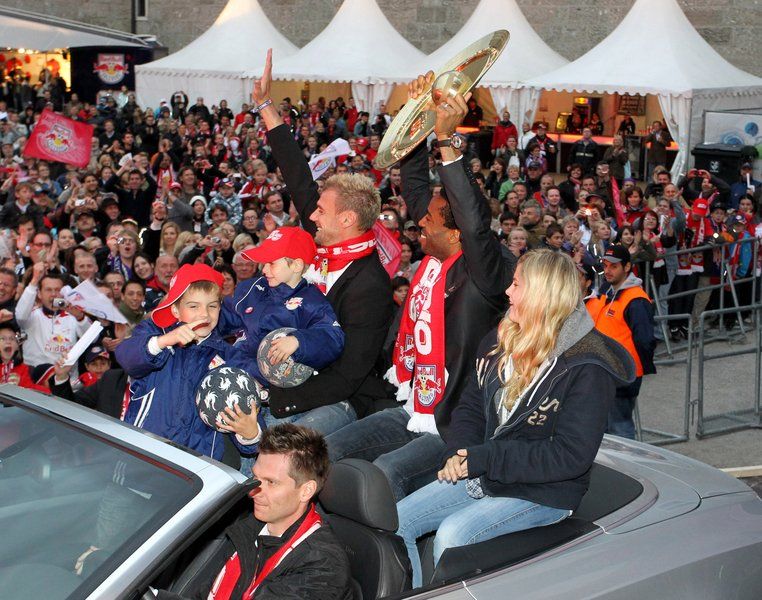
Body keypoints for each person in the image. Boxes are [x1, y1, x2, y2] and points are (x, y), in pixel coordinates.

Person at [325, 74, 515, 502]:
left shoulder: (485, 270)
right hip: (416, 405)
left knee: (387, 474)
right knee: (330, 449)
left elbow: (473, 220)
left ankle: (393, 542)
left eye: (429, 219)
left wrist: (446, 140)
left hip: (456, 420)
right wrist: (416, 118)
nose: (419, 221)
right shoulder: (434, 258)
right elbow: (414, 189)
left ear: (457, 232)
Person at [396, 250, 635, 588]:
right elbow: (470, 406)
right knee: (398, 521)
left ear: (542, 294)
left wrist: (483, 458)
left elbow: (570, 456)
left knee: (453, 536)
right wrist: (460, 451)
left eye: (517, 284)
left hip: (545, 491)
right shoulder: (501, 337)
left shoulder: (587, 366)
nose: (507, 291)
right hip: (489, 471)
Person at [250, 49, 393, 431]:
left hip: (338, 397)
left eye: (321, 212)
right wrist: (265, 106)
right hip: (286, 370)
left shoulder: (371, 285)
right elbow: (297, 173)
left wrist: (274, 401)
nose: (311, 216)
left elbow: (348, 375)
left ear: (346, 220)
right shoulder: (323, 239)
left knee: (274, 435)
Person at [156, 424, 354, 600]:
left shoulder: (322, 567)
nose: (253, 491)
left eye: (271, 482)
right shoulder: (247, 528)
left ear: (306, 491)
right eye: (256, 478)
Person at [114, 263, 263, 461]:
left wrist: (251, 434)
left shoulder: (230, 359)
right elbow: (126, 356)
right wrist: (164, 341)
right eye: (193, 306)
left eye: (212, 306)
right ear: (175, 310)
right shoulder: (155, 336)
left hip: (197, 468)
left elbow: (252, 438)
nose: (204, 314)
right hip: (141, 457)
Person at [219, 226, 344, 394]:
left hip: (274, 390)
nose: (264, 269)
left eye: (271, 263)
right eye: (264, 263)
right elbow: (225, 317)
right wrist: (203, 318)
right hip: (235, 371)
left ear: (296, 265)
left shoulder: (311, 301)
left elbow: (333, 337)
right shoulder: (252, 288)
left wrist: (299, 341)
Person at [586, 245, 656, 439]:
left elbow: (645, 339)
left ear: (627, 267)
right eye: (606, 265)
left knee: (619, 427)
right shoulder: (608, 291)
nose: (608, 270)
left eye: (614, 266)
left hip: (623, 374)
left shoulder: (636, 300)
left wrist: (638, 367)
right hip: (605, 372)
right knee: (605, 428)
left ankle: (627, 459)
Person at [15, 262, 90, 370]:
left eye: (57, 290)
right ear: (39, 294)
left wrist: (80, 317)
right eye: (48, 290)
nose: (54, 294)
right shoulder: (31, 316)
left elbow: (91, 340)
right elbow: (20, 316)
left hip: (66, 376)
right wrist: (34, 280)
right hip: (35, 376)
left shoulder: (73, 316)